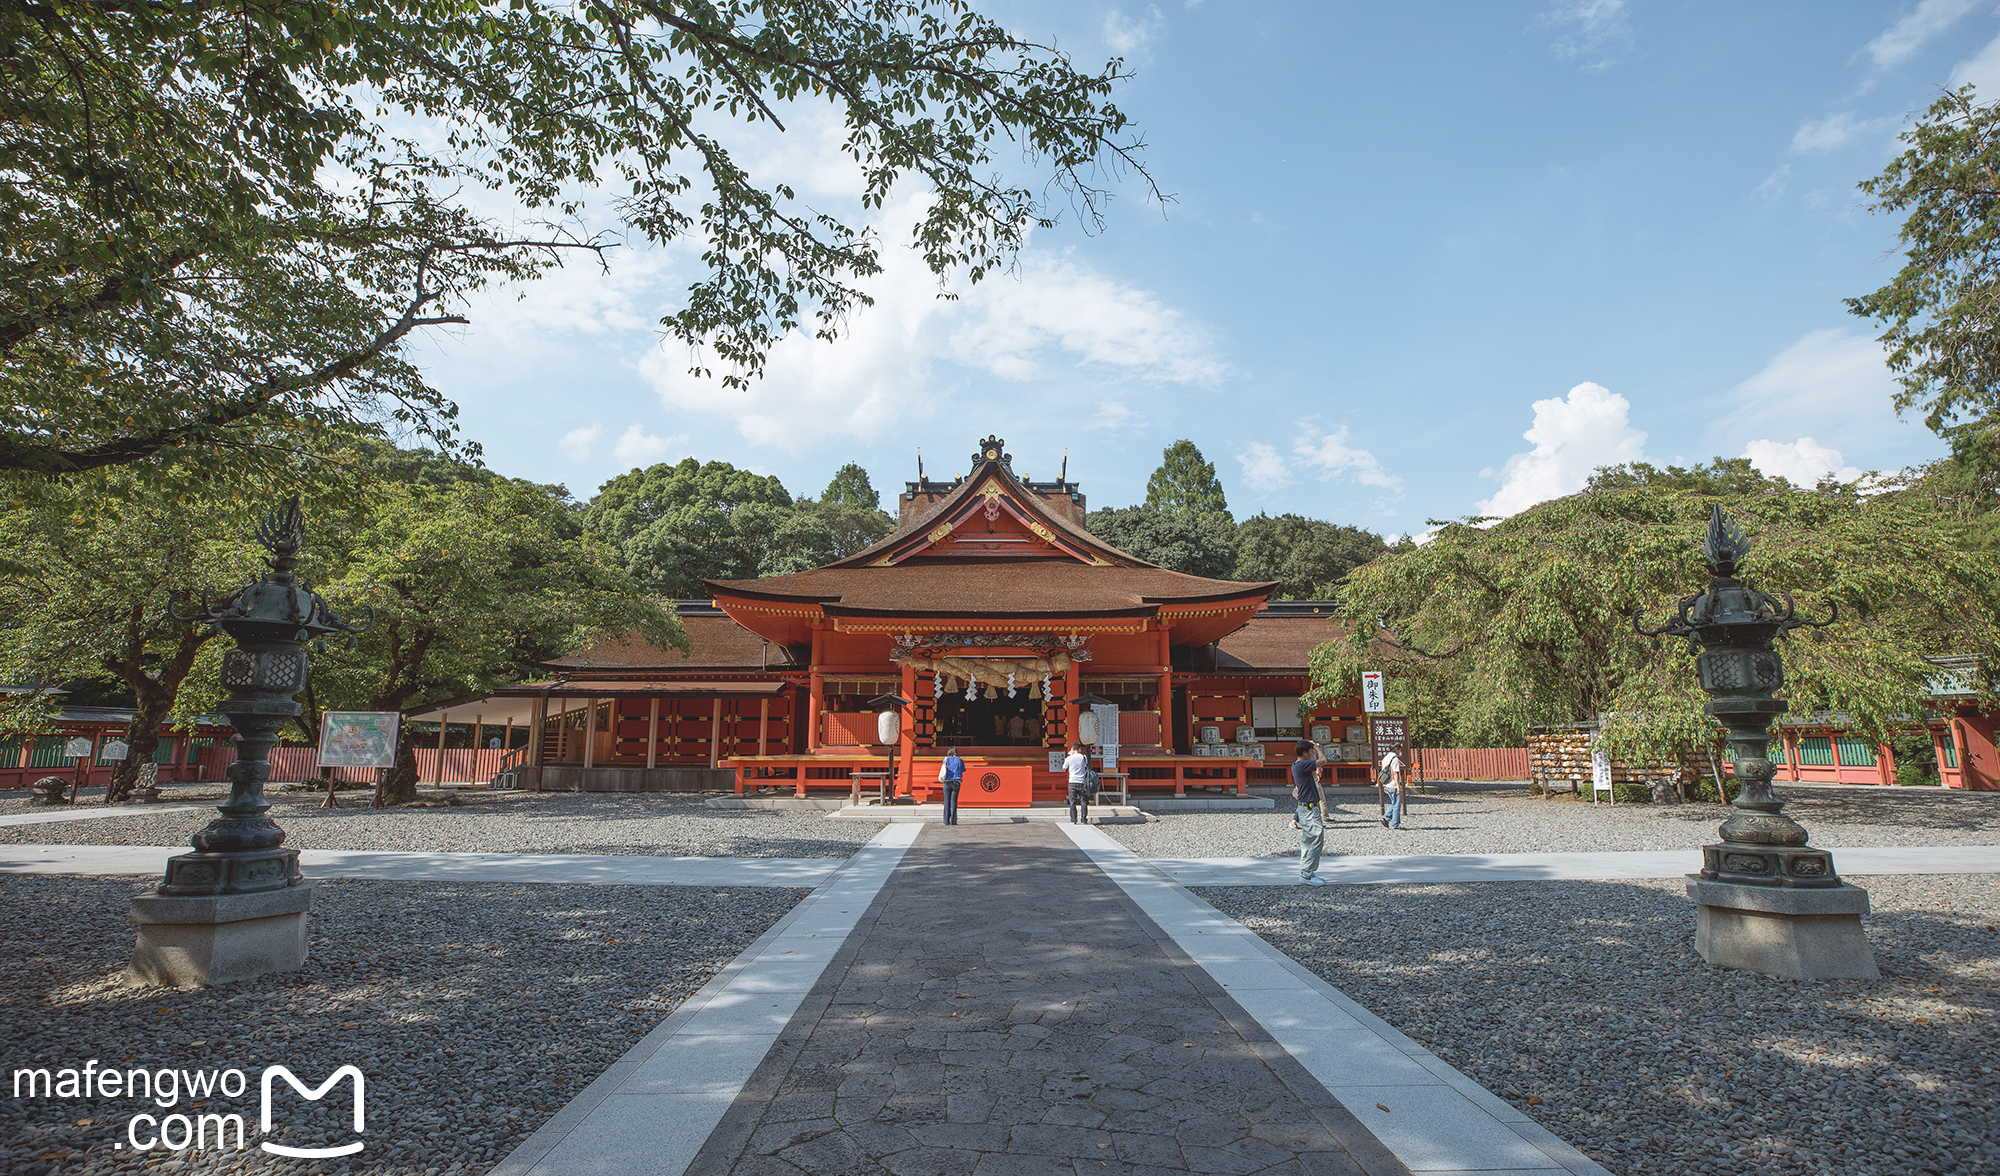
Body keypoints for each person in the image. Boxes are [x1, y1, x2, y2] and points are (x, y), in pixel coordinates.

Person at [1291, 739, 1326, 884]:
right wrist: (1317, 748)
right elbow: (1324, 760)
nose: (1313, 754)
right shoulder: (1302, 764)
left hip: (1306, 808)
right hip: (1309, 809)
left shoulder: (1297, 765)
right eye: (1310, 752)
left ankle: (1307, 872)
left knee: (1308, 840)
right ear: (1304, 753)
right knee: (1316, 838)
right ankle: (1306, 873)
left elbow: (1314, 773)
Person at [1063, 741, 1092, 824]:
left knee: (1073, 802)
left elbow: (1064, 768)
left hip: (1072, 781)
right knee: (1083, 801)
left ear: (1072, 748)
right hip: (1082, 781)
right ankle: (1083, 819)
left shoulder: (1069, 758)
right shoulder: (1084, 757)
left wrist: (1069, 755)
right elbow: (1086, 766)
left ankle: (1074, 819)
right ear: (1079, 749)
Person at [938, 746, 966, 826]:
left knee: (946, 801)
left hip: (947, 781)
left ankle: (946, 820)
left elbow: (943, 769)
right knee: (953, 802)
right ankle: (953, 821)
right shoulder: (960, 760)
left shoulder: (946, 759)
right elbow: (962, 769)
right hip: (956, 782)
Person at [1380, 746, 1406, 829]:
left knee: (1393, 803)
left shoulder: (1385, 758)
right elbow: (1395, 773)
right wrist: (1398, 786)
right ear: (1397, 749)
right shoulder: (1395, 759)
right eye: (1400, 749)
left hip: (1387, 784)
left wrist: (1384, 785)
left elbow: (1383, 772)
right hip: (1393, 784)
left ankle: (1386, 817)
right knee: (1396, 805)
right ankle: (1394, 824)